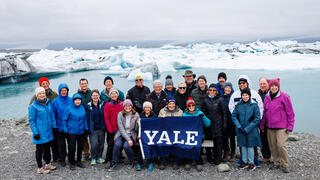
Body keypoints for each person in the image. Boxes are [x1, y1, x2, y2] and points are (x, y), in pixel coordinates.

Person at [260, 78, 295, 173]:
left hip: (282, 126)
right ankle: (276, 162)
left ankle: (285, 164)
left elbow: (290, 113)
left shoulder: (284, 97)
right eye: (272, 86)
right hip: (270, 126)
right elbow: (264, 113)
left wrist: (290, 126)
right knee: (273, 145)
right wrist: (262, 125)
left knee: (280, 145)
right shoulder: (267, 97)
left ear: (278, 87)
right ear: (269, 87)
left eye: (275, 86)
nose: (274, 87)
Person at [228, 75, 263, 167]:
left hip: (251, 126)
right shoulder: (235, 95)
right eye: (240, 83)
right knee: (242, 144)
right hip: (240, 124)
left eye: (244, 83)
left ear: (247, 83)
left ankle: (254, 160)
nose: (242, 84)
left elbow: (260, 108)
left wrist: (256, 121)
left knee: (252, 144)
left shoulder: (255, 95)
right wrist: (238, 123)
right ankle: (243, 159)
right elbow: (231, 108)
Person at [29, 77, 59, 162]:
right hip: (41, 126)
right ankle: (42, 162)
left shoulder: (53, 95)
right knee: (41, 145)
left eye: (46, 83)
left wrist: (54, 125)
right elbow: (32, 116)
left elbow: (55, 109)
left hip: (51, 124)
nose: (45, 85)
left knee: (52, 142)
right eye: (43, 84)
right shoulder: (34, 99)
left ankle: (54, 158)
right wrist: (35, 131)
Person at [108, 99, 142, 171]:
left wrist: (138, 124)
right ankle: (114, 162)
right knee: (117, 145)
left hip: (131, 134)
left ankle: (131, 161)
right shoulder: (120, 114)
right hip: (121, 134)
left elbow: (136, 129)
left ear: (131, 106)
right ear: (123, 107)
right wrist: (128, 139)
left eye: (129, 105)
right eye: (126, 106)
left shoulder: (136, 114)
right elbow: (121, 128)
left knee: (126, 146)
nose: (127, 107)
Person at [182, 97, 211, 172]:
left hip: (199, 135)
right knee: (187, 145)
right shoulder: (184, 115)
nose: (191, 107)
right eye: (189, 106)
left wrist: (203, 117)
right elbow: (182, 126)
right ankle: (187, 161)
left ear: (195, 106)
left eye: (192, 105)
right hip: (188, 135)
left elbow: (208, 124)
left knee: (197, 145)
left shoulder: (200, 113)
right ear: (187, 107)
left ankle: (198, 161)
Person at [203, 83, 227, 165]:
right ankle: (209, 157)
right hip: (209, 124)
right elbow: (204, 113)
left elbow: (224, 112)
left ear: (216, 91)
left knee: (218, 143)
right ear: (208, 91)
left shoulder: (220, 99)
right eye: (210, 90)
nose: (212, 91)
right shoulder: (205, 100)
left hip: (218, 123)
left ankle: (218, 158)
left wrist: (224, 124)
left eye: (214, 90)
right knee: (208, 141)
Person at [63, 93, 88, 170]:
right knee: (72, 147)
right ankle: (72, 162)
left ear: (81, 101)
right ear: (73, 101)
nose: (77, 101)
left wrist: (86, 128)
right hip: (71, 131)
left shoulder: (82, 108)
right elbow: (64, 119)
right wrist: (65, 129)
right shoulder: (68, 108)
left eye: (79, 100)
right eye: (76, 100)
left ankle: (79, 161)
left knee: (80, 147)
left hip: (81, 131)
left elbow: (85, 119)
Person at [158, 97, 183, 170]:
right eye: (170, 104)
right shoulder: (162, 111)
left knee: (178, 144)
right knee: (160, 144)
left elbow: (183, 123)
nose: (171, 105)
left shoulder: (180, 111)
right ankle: (163, 161)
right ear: (167, 104)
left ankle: (176, 162)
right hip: (165, 133)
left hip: (176, 133)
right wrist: (161, 119)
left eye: (173, 104)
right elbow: (158, 123)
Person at [51, 83, 73, 167]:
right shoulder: (55, 101)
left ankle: (71, 159)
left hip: (69, 126)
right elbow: (53, 115)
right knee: (61, 144)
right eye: (62, 90)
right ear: (59, 91)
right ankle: (62, 159)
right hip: (59, 127)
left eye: (65, 90)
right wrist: (54, 126)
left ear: (67, 91)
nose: (64, 92)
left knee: (71, 144)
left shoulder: (71, 100)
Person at [103, 88, 123, 168]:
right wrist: (110, 129)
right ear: (110, 95)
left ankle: (117, 158)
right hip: (111, 129)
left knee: (119, 144)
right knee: (110, 144)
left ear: (117, 95)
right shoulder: (108, 105)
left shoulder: (121, 103)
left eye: (115, 93)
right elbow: (106, 117)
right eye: (112, 94)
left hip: (120, 128)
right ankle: (108, 159)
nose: (114, 95)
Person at [86, 89, 106, 166]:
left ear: (99, 96)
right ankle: (93, 158)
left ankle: (99, 157)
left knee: (101, 144)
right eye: (94, 95)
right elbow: (87, 118)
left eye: (96, 95)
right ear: (91, 96)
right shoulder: (88, 106)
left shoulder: (102, 104)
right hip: (93, 128)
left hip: (101, 128)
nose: (95, 97)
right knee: (94, 144)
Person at [77, 78, 92, 162]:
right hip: (82, 119)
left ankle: (94, 153)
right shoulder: (77, 95)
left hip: (91, 118)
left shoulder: (91, 93)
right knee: (83, 138)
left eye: (85, 83)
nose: (84, 85)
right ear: (80, 85)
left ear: (87, 84)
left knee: (93, 137)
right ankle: (86, 153)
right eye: (82, 84)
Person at [140, 101, 157, 172]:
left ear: (151, 108)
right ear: (143, 108)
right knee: (141, 146)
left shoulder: (154, 115)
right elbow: (138, 127)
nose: (147, 109)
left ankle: (150, 162)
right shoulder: (141, 115)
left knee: (150, 146)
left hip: (152, 135)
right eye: (145, 107)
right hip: (143, 134)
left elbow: (156, 126)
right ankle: (139, 162)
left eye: (148, 107)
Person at [258, 77, 271, 163]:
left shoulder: (271, 93)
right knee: (263, 139)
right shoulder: (258, 93)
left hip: (271, 121)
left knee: (272, 140)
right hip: (261, 121)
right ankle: (266, 157)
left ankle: (277, 157)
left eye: (264, 84)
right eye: (261, 84)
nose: (262, 85)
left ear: (268, 84)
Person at [222, 82, 236, 162]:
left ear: (231, 89)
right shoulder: (221, 97)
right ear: (224, 88)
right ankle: (226, 151)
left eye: (229, 88)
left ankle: (233, 153)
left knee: (232, 137)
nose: (227, 89)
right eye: (226, 87)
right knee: (225, 137)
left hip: (231, 119)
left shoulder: (233, 97)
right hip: (224, 119)